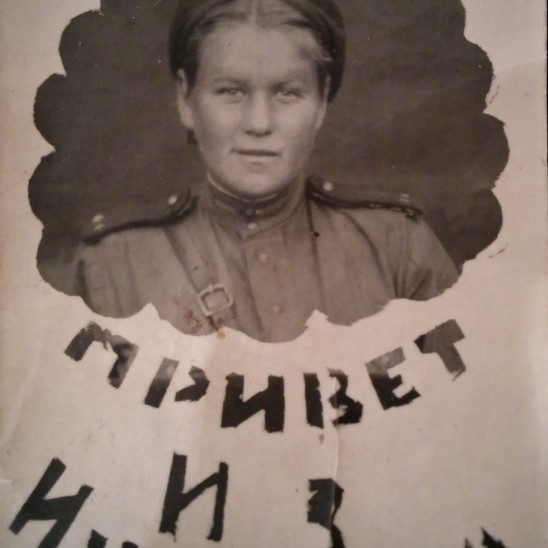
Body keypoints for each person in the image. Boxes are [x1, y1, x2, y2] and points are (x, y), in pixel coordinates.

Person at [73, 0, 459, 343]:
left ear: (322, 101)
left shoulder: (399, 249)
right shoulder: (113, 268)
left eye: (287, 92)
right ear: (185, 99)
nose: (259, 123)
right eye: (231, 91)